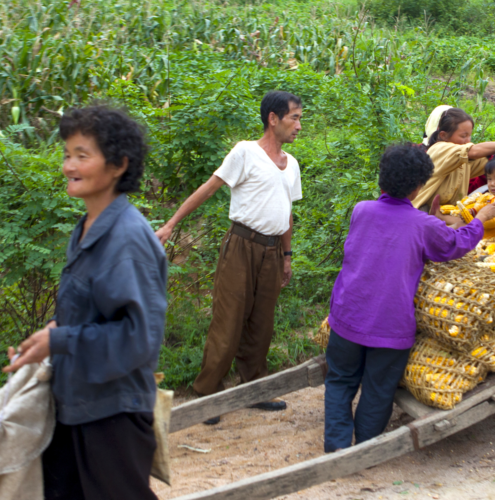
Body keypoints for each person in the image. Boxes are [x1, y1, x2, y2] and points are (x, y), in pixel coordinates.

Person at [3, 104, 167, 499]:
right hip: (76, 406)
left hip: (112, 417)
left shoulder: (127, 239)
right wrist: (46, 341)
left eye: (82, 155)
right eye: (66, 154)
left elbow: (137, 339)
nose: (68, 165)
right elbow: (91, 313)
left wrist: (60, 341)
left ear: (117, 165)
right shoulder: (87, 228)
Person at [324, 144, 495, 452]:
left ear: (382, 180)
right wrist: (480, 218)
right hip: (390, 324)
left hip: (347, 314)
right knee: (378, 388)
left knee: (340, 380)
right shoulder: (423, 225)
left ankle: (337, 447)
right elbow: (455, 245)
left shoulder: (361, 210)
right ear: (420, 185)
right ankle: (364, 450)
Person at [154, 91, 303, 423]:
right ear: (273, 118)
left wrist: (287, 255)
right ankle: (207, 395)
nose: (299, 125)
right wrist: (171, 225)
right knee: (229, 319)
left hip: (273, 251)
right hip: (241, 246)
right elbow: (209, 187)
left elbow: (287, 212)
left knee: (261, 323)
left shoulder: (291, 164)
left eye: (300, 118)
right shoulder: (246, 152)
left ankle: (253, 388)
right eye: (295, 117)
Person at [412, 107, 495, 219]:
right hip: (420, 217)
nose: (468, 141)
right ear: (443, 135)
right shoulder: (439, 149)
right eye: (463, 136)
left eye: (469, 135)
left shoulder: (462, 159)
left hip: (442, 218)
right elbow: (475, 151)